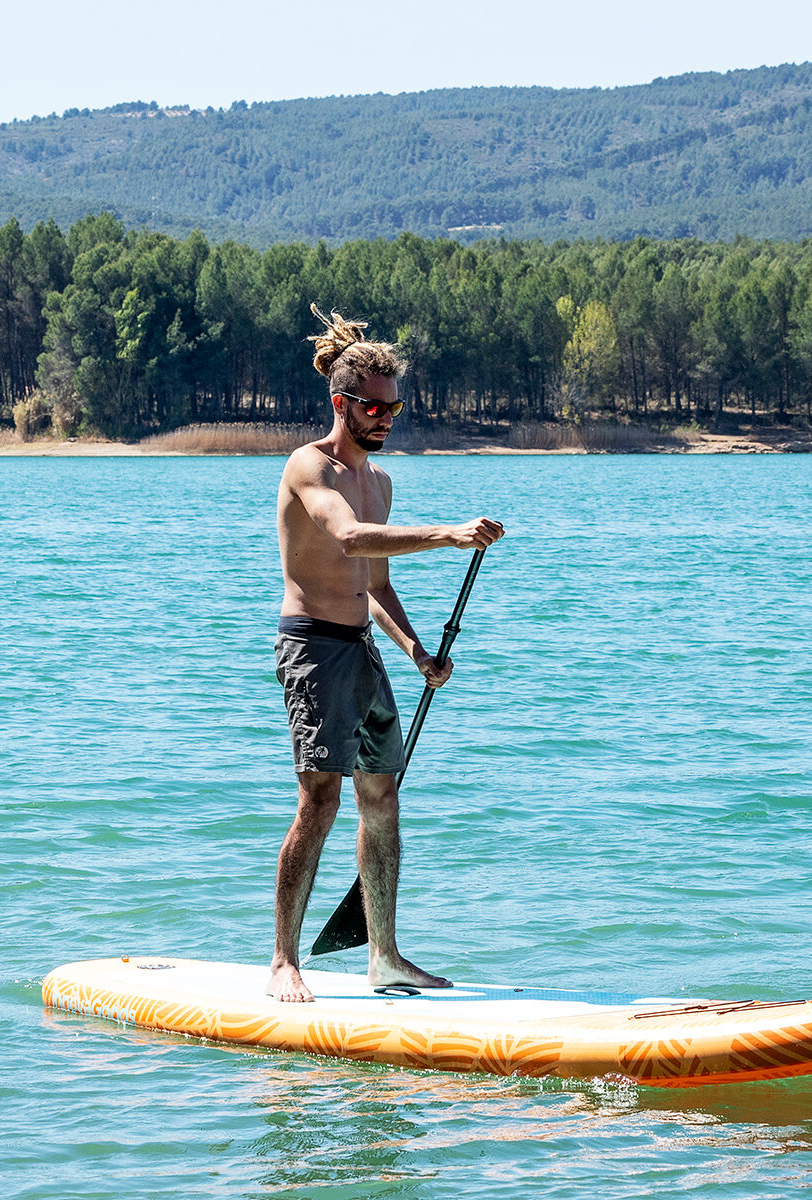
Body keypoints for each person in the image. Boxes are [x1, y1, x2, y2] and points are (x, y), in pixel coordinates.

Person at [268, 305, 504, 1003]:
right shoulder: (309, 466)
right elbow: (347, 540)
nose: (387, 417)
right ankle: (284, 961)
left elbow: (374, 584)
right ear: (342, 403)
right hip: (312, 649)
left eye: (395, 406)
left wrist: (416, 652)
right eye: (376, 406)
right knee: (321, 800)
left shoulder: (379, 480)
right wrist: (449, 535)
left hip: (363, 651)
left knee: (383, 796)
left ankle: (385, 958)